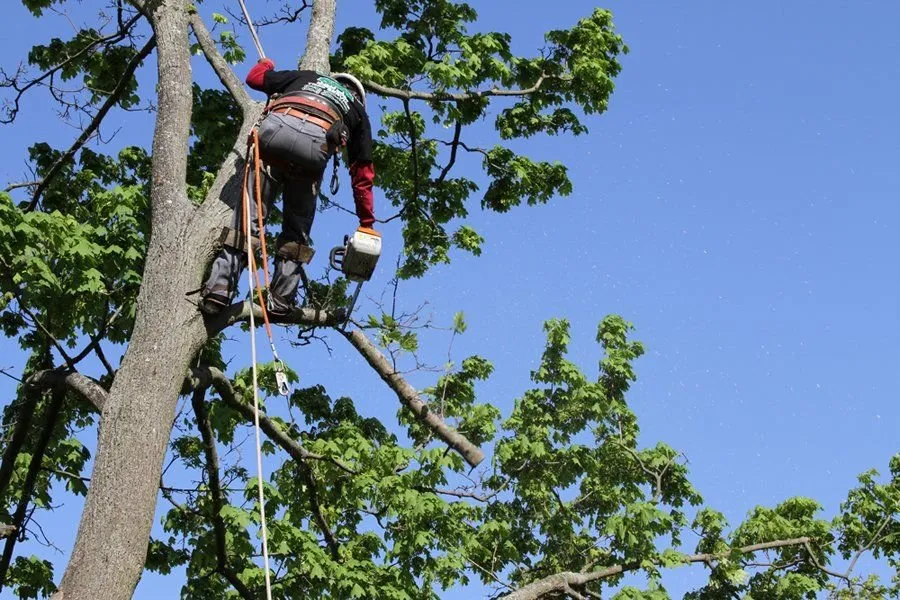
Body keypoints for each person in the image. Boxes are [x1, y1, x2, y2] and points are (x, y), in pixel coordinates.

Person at [199, 58, 377, 316]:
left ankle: (219, 290)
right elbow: (363, 173)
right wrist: (367, 223)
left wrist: (266, 64)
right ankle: (281, 299)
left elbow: (255, 78)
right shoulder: (357, 110)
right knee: (296, 231)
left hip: (274, 135)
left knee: (247, 220)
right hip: (313, 152)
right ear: (357, 95)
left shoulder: (304, 77)